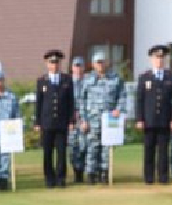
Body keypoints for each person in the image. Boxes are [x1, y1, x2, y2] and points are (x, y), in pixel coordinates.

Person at [76, 49, 125, 184]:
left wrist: (118, 109)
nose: (101, 65)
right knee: (92, 147)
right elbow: (81, 101)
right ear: (93, 64)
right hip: (92, 120)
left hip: (109, 120)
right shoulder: (87, 80)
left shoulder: (115, 79)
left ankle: (104, 173)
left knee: (107, 147)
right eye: (98, 62)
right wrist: (83, 120)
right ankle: (91, 173)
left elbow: (122, 97)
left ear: (107, 63)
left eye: (103, 62)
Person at [136, 44, 172, 184]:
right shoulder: (144, 77)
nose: (159, 60)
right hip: (149, 120)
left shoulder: (171, 77)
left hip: (164, 119)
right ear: (151, 59)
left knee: (163, 150)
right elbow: (139, 100)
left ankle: (163, 177)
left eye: (162, 58)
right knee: (149, 150)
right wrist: (139, 119)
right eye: (156, 57)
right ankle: (148, 177)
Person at [33, 49, 74, 188]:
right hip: (47, 122)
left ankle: (61, 178)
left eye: (57, 62)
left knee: (62, 152)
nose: (54, 65)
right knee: (47, 152)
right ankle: (49, 178)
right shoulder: (41, 81)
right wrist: (37, 122)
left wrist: (71, 120)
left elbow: (70, 102)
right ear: (47, 63)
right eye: (52, 62)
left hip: (62, 122)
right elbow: (38, 103)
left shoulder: (67, 80)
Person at [68, 56, 90, 184]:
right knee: (73, 147)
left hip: (85, 120)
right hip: (72, 121)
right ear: (72, 68)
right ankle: (77, 173)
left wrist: (85, 119)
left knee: (85, 146)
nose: (78, 68)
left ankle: (85, 170)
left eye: (80, 66)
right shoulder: (68, 82)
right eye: (76, 66)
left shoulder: (88, 82)